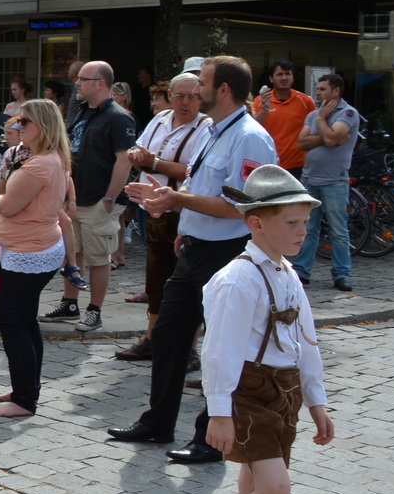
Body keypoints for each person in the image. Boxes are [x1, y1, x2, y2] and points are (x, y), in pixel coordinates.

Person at [112, 56, 278, 464]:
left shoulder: (249, 137)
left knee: (221, 346)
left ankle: (211, 437)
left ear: (222, 89)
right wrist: (172, 210)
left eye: (202, 82)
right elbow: (195, 181)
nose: (195, 89)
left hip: (227, 252)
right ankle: (157, 423)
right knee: (168, 336)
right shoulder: (214, 131)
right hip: (195, 249)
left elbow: (240, 207)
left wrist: (177, 200)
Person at [192, 165, 335, 494]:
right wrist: (219, 413)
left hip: (283, 392)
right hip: (247, 394)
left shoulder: (286, 272)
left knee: (253, 487)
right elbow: (219, 352)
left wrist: (316, 399)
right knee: (274, 489)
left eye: (305, 224)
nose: (301, 233)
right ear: (256, 223)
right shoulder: (238, 281)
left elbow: (305, 340)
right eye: (291, 224)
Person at [0, 102, 74, 419]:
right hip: (33, 249)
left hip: (29, 253)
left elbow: (7, 205)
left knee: (12, 324)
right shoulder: (52, 160)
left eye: (25, 121)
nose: (19, 127)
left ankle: (24, 400)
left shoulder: (40, 165)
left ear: (43, 125)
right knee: (24, 322)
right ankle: (25, 388)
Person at [115, 72, 211, 360]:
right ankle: (152, 340)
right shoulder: (159, 120)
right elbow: (140, 149)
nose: (186, 102)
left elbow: (194, 172)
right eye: (180, 95)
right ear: (170, 95)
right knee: (156, 280)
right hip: (152, 210)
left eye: (193, 96)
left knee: (189, 284)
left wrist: (153, 162)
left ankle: (189, 350)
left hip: (184, 213)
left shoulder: (205, 127)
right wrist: (135, 157)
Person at [43, 61, 135, 333]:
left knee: (98, 257)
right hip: (76, 197)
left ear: (100, 83)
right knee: (73, 253)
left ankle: (95, 310)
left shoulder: (119, 117)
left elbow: (124, 161)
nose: (77, 83)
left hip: (98, 199)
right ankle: (70, 304)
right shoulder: (82, 111)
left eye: (83, 79)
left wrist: (109, 198)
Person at [291, 72, 362, 291]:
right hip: (310, 178)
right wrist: (328, 135)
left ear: (336, 91)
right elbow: (301, 143)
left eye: (322, 89)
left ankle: (341, 274)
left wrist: (323, 121)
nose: (317, 92)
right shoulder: (312, 114)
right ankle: (301, 272)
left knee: (338, 230)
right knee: (307, 228)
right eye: (318, 88)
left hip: (334, 181)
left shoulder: (348, 113)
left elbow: (332, 139)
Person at [251, 60, 315, 176]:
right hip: (268, 163)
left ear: (293, 77)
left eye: (287, 74)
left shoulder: (305, 101)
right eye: (280, 74)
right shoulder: (260, 101)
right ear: (271, 79)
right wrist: (265, 108)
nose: (284, 78)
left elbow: (315, 129)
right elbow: (252, 128)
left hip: (298, 165)